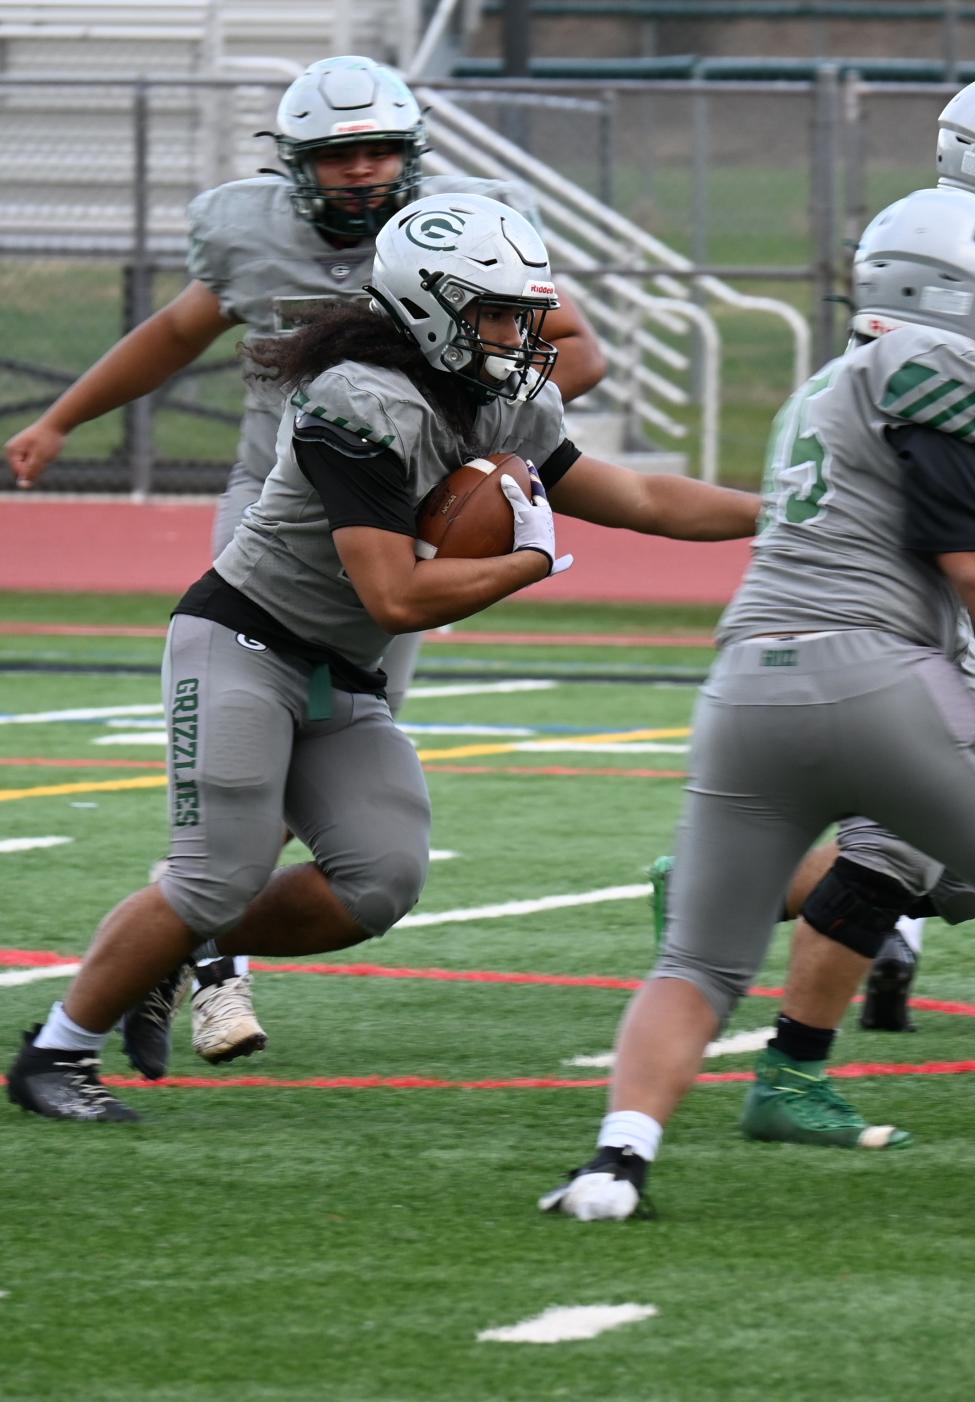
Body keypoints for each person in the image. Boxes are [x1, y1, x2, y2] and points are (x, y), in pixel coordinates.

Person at [538, 188, 975, 1223]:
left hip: (746, 686)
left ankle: (616, 1165)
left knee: (696, 958)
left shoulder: (830, 386)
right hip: (876, 675)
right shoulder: (945, 367)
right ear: (968, 290)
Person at [5, 192, 756, 1125]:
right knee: (213, 872)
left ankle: (167, 951)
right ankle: (54, 1053)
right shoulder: (356, 401)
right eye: (500, 315)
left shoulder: (501, 399)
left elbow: (640, 497)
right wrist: (528, 562)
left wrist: (779, 518)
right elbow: (394, 597)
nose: (523, 336)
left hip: (341, 669)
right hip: (245, 640)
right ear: (433, 310)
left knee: (380, 879)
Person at [3, 55, 605, 1073]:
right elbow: (172, 333)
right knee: (260, 727)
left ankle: (189, 935)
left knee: (328, 753)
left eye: (380, 151)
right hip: (276, 513)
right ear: (293, 167)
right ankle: (204, 959)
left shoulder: (466, 238)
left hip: (406, 496)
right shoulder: (250, 234)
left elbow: (573, 349)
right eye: (337, 157)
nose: (363, 173)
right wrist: (64, 417)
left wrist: (487, 423)